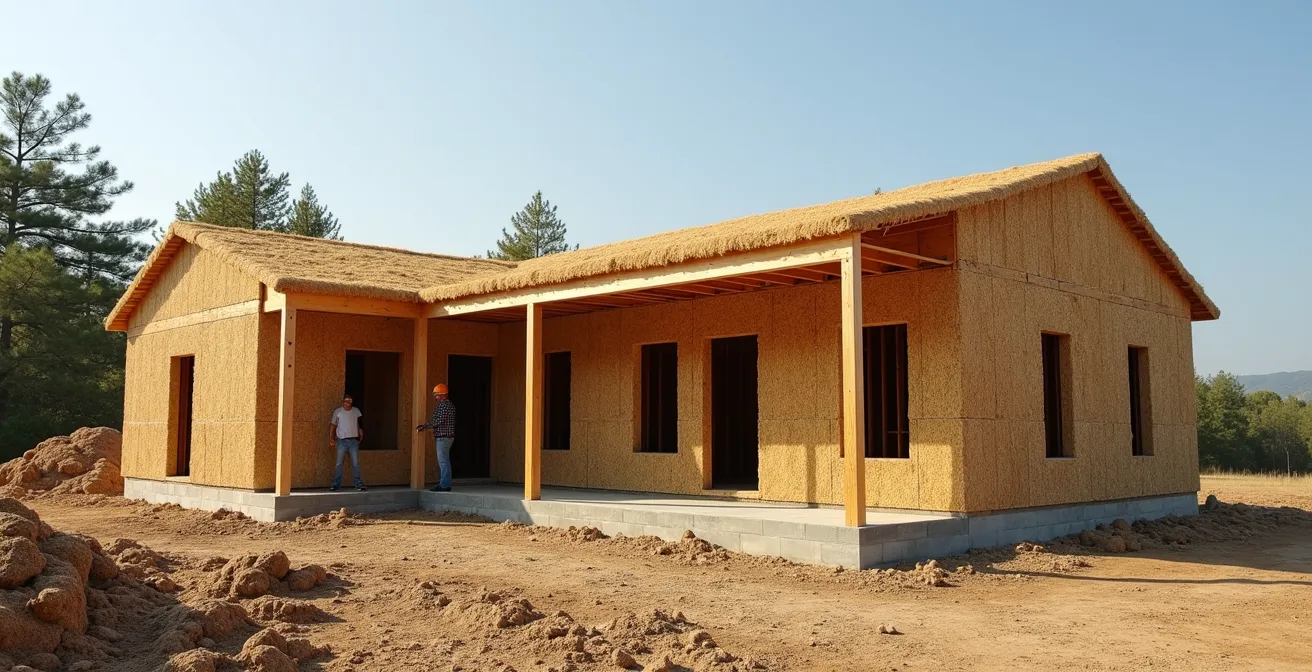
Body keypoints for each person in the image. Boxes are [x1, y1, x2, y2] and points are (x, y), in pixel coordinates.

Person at [416, 383, 456, 492]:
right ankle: (445, 484)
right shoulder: (449, 405)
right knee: (444, 461)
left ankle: (444, 485)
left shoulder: (444, 405)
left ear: (443, 394)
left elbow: (438, 420)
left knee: (443, 461)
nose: (436, 397)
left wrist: (424, 426)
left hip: (444, 437)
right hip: (446, 437)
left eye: (437, 395)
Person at [329, 395, 367, 492]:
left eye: (349, 401)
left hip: (353, 440)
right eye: (346, 401)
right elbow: (333, 426)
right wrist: (331, 438)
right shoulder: (338, 412)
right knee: (339, 463)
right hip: (341, 441)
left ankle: (358, 484)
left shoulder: (356, 411)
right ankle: (336, 484)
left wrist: (360, 430)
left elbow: (358, 422)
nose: (347, 403)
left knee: (355, 463)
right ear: (343, 402)